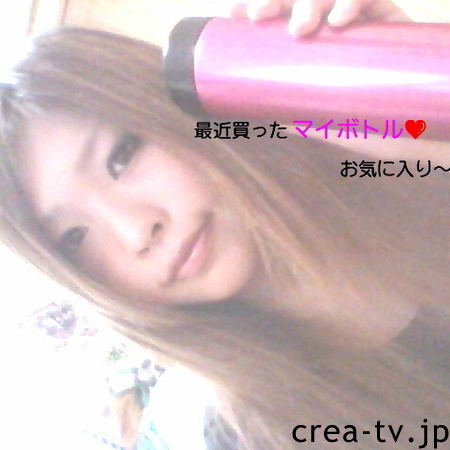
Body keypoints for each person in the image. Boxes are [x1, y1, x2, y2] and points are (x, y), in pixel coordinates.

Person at [1, 0, 450, 448]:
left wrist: (419, 103)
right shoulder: (249, 437)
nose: (136, 233)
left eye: (121, 156)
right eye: (73, 238)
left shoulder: (410, 181)